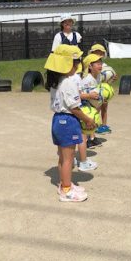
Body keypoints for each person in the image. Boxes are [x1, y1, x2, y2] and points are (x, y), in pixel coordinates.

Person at [45, 44, 96, 201]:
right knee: (68, 159)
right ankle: (66, 190)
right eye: (76, 62)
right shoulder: (68, 82)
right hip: (67, 121)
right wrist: (88, 120)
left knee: (63, 157)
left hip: (58, 120)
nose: (78, 65)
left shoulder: (57, 81)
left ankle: (65, 183)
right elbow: (74, 107)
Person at [89, 43, 117, 134]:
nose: (98, 54)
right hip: (95, 90)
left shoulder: (106, 67)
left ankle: (104, 125)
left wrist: (113, 78)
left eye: (100, 53)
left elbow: (110, 77)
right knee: (96, 109)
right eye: (96, 52)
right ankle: (94, 125)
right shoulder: (90, 64)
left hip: (104, 90)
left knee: (104, 108)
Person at [80, 53, 104, 152]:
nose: (100, 65)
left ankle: (91, 138)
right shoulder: (86, 80)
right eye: (97, 63)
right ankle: (85, 143)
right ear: (90, 66)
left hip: (93, 105)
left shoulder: (98, 77)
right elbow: (77, 96)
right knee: (85, 126)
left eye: (101, 63)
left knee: (93, 122)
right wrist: (89, 96)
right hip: (85, 106)